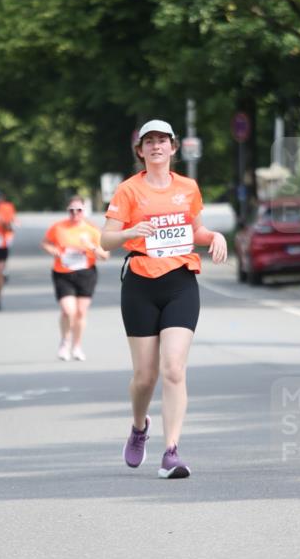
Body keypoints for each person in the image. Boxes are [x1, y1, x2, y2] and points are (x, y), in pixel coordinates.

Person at [101, 120, 228, 478]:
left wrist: (214, 236)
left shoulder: (188, 187)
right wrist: (130, 231)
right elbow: (105, 240)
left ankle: (171, 452)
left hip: (180, 282)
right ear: (140, 151)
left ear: (173, 148)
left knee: (173, 369)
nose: (156, 146)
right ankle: (139, 426)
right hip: (140, 284)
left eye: (162, 141)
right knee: (145, 377)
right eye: (149, 142)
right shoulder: (128, 190)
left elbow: (195, 229)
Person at [41, 195, 110, 361]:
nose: (75, 214)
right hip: (63, 273)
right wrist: (52, 250)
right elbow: (45, 242)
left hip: (86, 274)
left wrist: (90, 246)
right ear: (67, 211)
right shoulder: (58, 227)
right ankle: (65, 342)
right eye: (71, 210)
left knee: (80, 312)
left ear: (84, 211)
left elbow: (105, 256)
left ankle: (77, 346)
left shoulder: (92, 230)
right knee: (68, 311)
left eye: (79, 210)